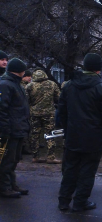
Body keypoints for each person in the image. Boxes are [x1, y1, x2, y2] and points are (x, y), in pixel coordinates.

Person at [57, 53, 102, 211]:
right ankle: (80, 202)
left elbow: (61, 112)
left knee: (70, 168)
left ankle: (63, 201)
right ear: (99, 70)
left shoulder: (69, 85)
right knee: (87, 170)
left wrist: (67, 130)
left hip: (73, 135)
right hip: (93, 137)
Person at [0, 58, 30, 198]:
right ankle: (4, 187)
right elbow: (2, 109)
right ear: (19, 70)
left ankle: (12, 184)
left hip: (18, 128)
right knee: (7, 160)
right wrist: (5, 130)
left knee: (15, 159)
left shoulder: (16, 84)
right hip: (10, 130)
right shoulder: (6, 85)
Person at [26, 69, 61, 164]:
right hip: (49, 113)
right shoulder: (52, 84)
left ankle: (35, 156)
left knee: (34, 134)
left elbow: (26, 100)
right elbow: (59, 98)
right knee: (50, 134)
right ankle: (51, 157)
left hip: (34, 114)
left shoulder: (29, 86)